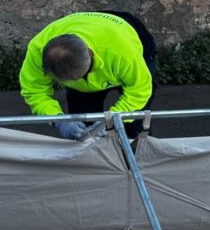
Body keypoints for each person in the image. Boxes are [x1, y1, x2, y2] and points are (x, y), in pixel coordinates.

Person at [19, 11, 157, 140]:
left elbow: (139, 90)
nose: (81, 83)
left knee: (135, 126)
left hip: (125, 34)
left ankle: (138, 160)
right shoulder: (37, 51)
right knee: (83, 129)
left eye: (81, 76)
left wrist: (113, 120)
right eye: (70, 81)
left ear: (90, 53)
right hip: (91, 32)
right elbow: (35, 92)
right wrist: (59, 121)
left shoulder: (122, 52)